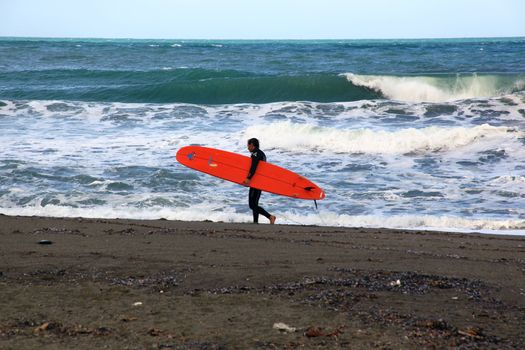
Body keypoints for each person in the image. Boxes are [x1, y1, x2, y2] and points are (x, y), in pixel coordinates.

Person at [243, 138, 276, 224]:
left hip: (255, 181)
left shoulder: (255, 153)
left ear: (252, 145)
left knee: (252, 204)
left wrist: (248, 178)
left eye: (248, 145)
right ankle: (255, 222)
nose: (247, 148)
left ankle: (270, 217)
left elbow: (254, 167)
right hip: (260, 181)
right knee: (255, 204)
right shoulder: (262, 154)